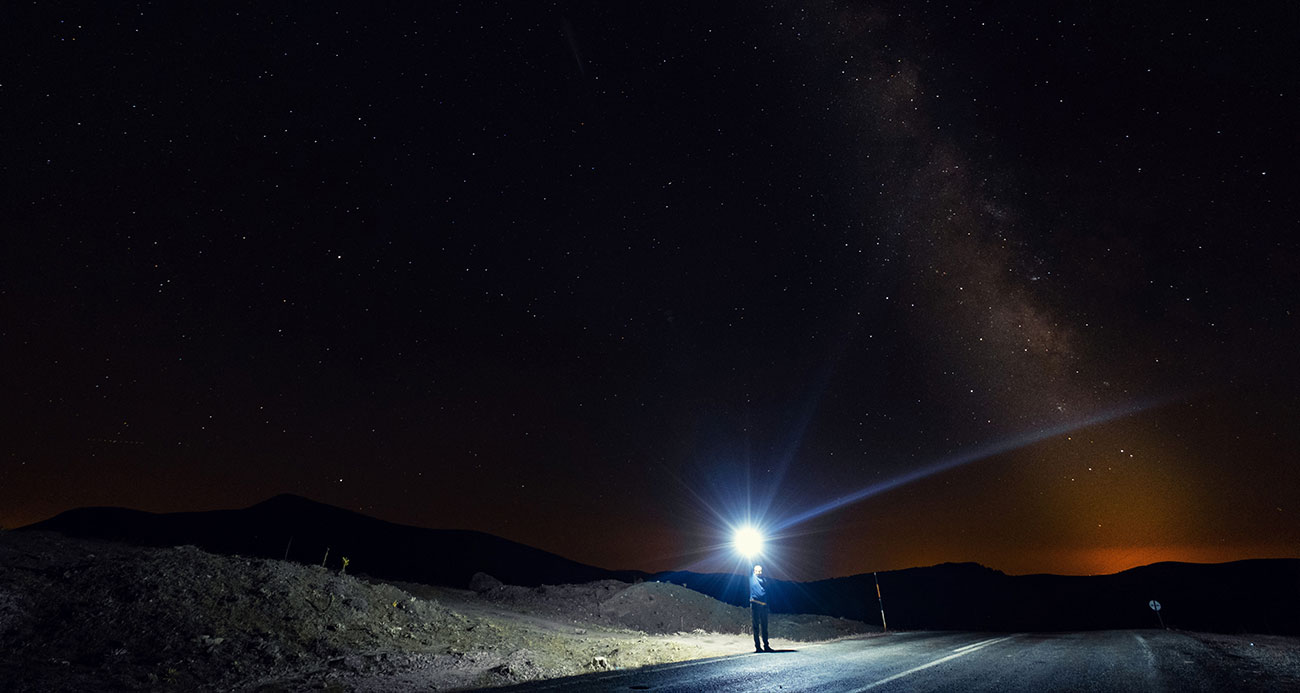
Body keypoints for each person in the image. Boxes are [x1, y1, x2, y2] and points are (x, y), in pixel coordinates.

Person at [749, 564, 773, 652]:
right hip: (755, 604)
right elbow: (748, 564)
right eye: (758, 571)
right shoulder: (751, 577)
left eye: (760, 571)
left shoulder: (764, 580)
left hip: (764, 605)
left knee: (764, 626)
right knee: (756, 627)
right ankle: (758, 647)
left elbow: (766, 592)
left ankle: (766, 646)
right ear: (754, 571)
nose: (759, 572)